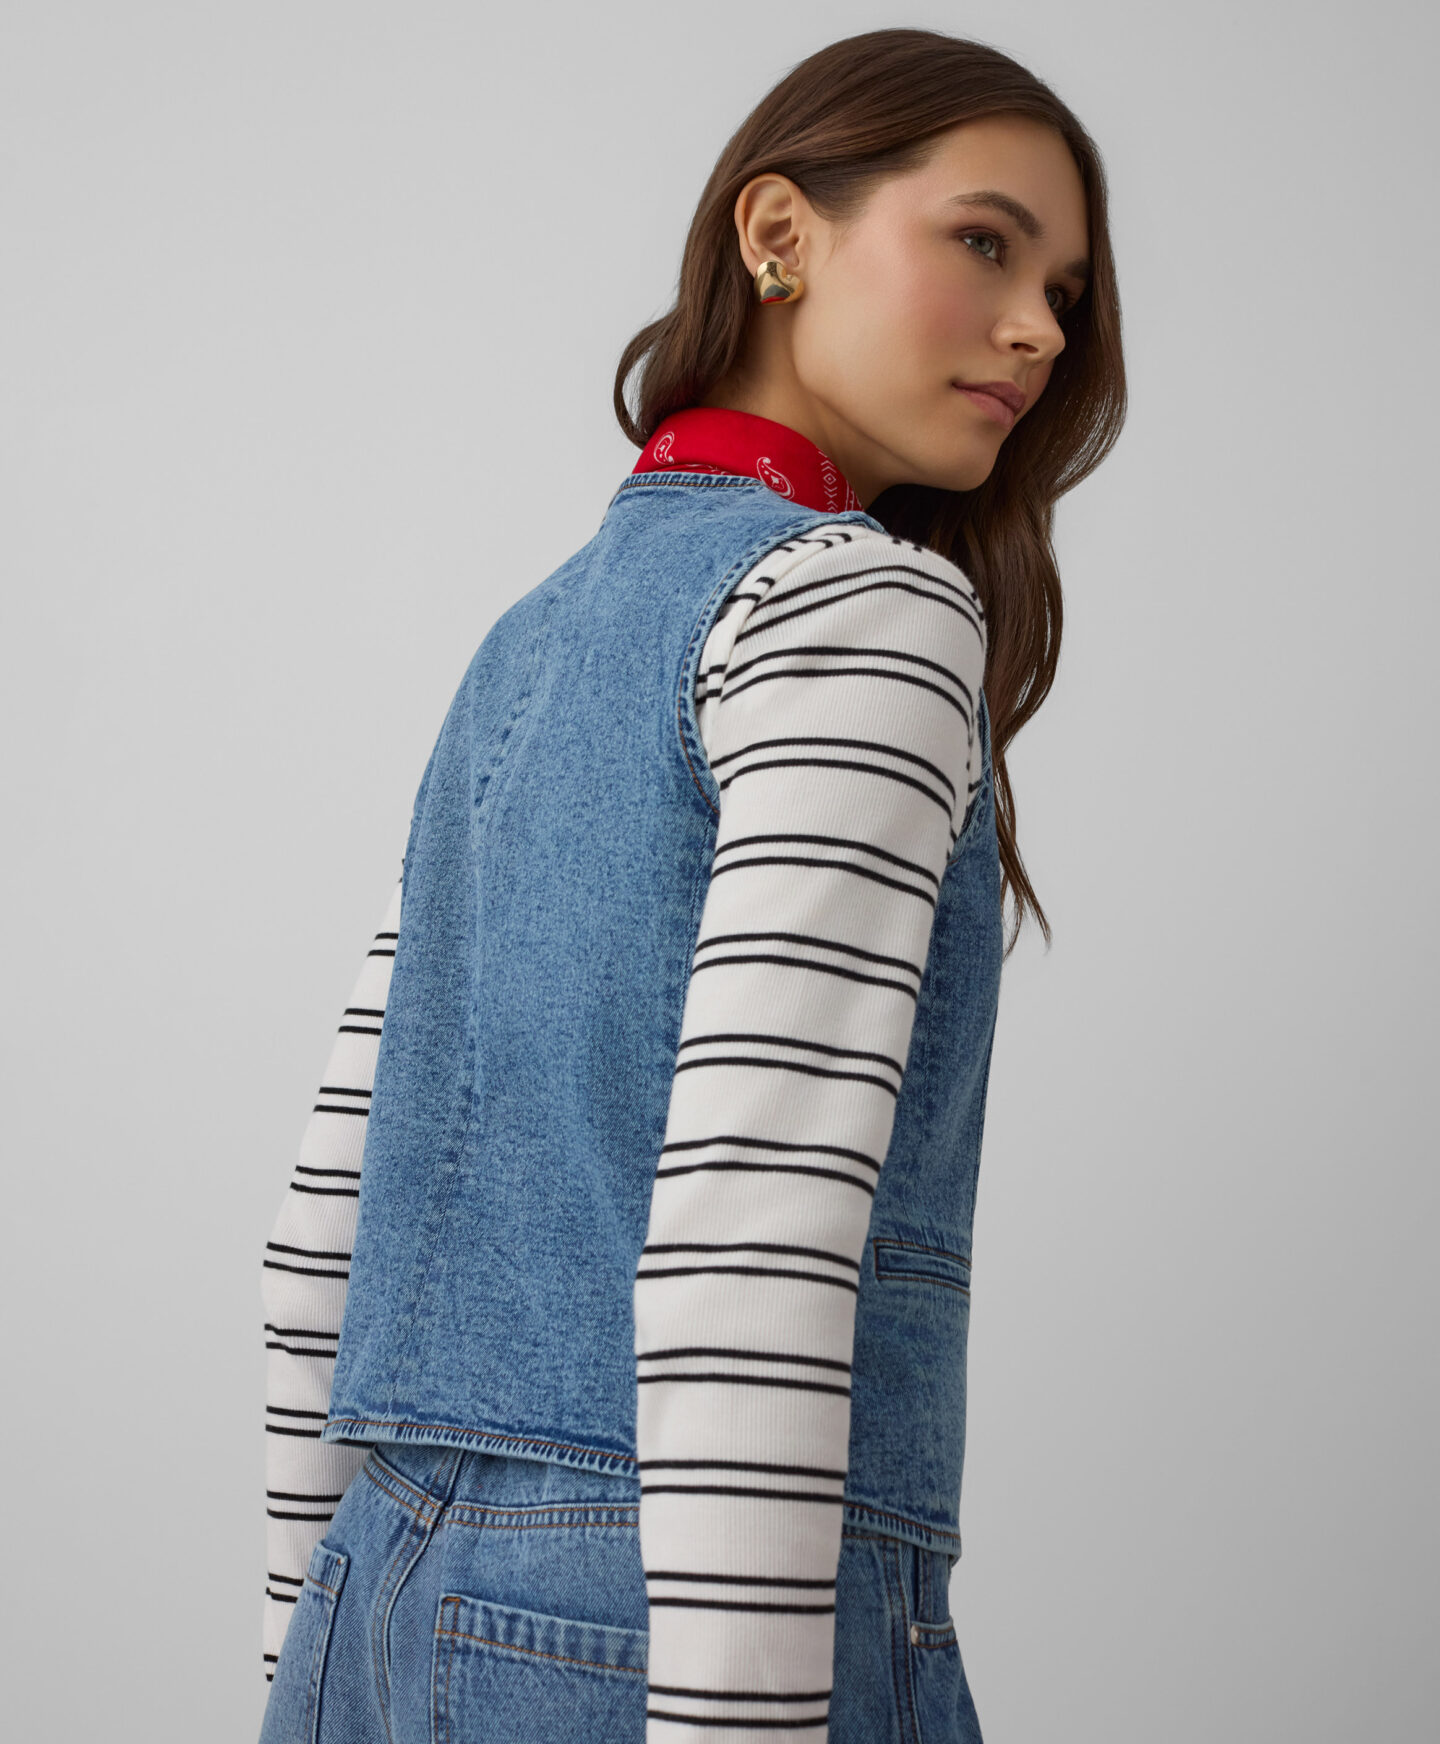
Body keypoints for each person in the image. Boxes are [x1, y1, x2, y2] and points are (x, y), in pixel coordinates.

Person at [257, 26, 1125, 1744]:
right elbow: (752, 1226)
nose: (1038, 327)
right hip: (667, 1622)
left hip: (381, 1590)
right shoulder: (865, 608)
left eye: (1065, 293)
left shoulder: (527, 645)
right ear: (781, 235)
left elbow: (323, 1226)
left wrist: (308, 1649)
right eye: (984, 241)